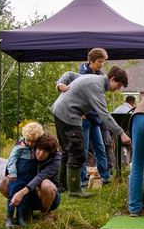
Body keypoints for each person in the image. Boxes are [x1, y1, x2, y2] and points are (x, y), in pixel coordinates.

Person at [51, 65, 131, 198]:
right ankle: (74, 191)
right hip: (68, 115)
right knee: (77, 153)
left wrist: (60, 83)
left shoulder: (93, 78)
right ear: (112, 79)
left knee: (66, 151)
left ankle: (62, 187)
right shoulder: (97, 87)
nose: (118, 89)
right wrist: (121, 133)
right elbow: (104, 115)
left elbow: (70, 74)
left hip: (59, 111)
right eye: (119, 84)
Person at [58, 48, 112, 188]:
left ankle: (105, 175)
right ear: (91, 61)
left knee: (100, 147)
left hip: (96, 119)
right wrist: (59, 85)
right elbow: (72, 90)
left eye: (103, 62)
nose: (102, 65)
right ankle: (82, 179)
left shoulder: (100, 75)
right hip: (84, 118)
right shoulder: (81, 74)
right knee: (83, 148)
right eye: (99, 62)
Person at [4, 122, 44, 227]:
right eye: (29, 141)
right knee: (12, 196)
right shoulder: (19, 147)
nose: (31, 143)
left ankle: (20, 217)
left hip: (29, 178)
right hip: (17, 177)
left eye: (33, 141)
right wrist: (12, 174)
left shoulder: (37, 147)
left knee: (24, 197)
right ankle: (9, 218)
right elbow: (11, 161)